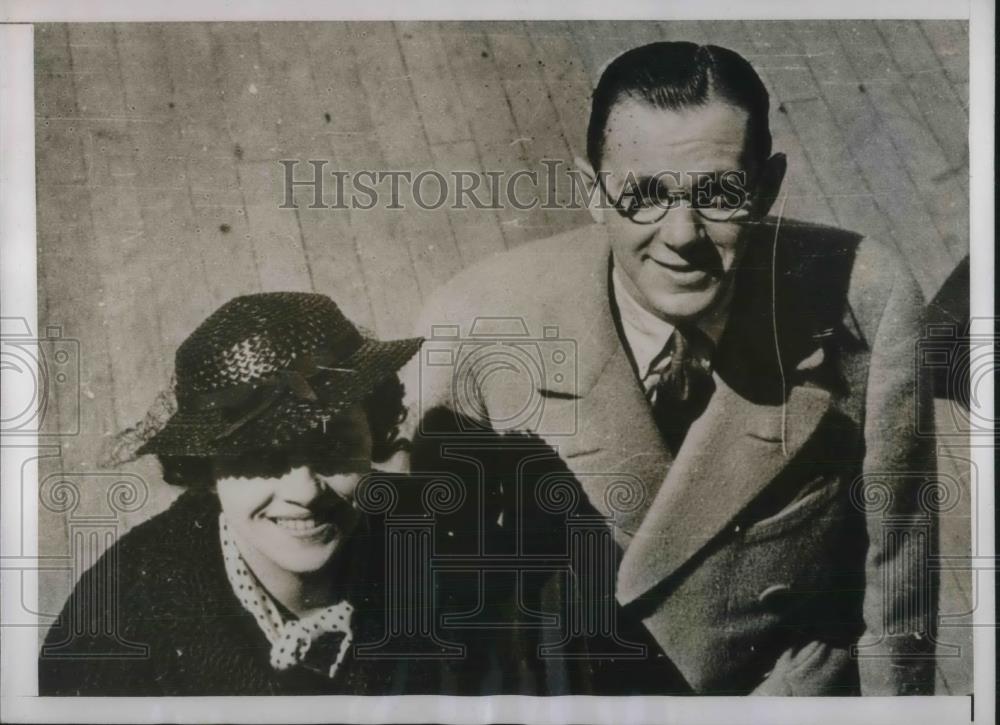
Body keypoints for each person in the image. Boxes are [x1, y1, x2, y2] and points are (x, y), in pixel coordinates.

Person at [403, 42, 938, 695]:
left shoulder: (863, 298)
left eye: (718, 193)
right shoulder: (475, 327)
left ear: (766, 188)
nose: (682, 234)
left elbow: (897, 577)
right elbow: (432, 614)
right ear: (593, 194)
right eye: (645, 195)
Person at [39, 292, 429, 695]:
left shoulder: (444, 545)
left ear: (373, 432)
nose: (305, 492)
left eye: (335, 445)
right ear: (207, 470)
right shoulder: (113, 628)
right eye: (259, 456)